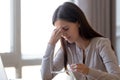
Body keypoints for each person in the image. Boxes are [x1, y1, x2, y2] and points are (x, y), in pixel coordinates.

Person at [41, 2, 120, 80]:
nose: (63, 34)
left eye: (66, 29)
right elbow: (46, 77)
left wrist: (88, 71)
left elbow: (116, 77)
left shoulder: (102, 44)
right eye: (59, 31)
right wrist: (51, 43)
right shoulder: (66, 49)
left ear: (78, 23)